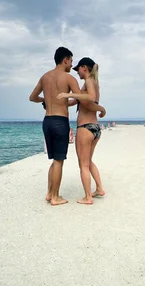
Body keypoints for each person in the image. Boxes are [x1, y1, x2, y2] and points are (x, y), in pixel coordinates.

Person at [29, 47, 102, 206]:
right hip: (60, 121)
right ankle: (55, 197)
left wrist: (46, 101)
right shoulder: (69, 79)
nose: (72, 65)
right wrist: (99, 108)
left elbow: (32, 97)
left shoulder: (44, 77)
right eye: (71, 61)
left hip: (47, 121)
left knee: (53, 159)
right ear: (65, 60)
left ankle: (49, 193)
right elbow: (83, 99)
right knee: (58, 160)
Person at [57, 57, 106, 205]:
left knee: (83, 164)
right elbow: (83, 101)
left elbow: (89, 98)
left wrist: (69, 94)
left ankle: (87, 197)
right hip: (95, 128)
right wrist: (61, 101)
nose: (77, 72)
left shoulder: (89, 81)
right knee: (88, 162)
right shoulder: (94, 83)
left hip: (85, 128)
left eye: (78, 69)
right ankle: (99, 189)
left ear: (84, 68)